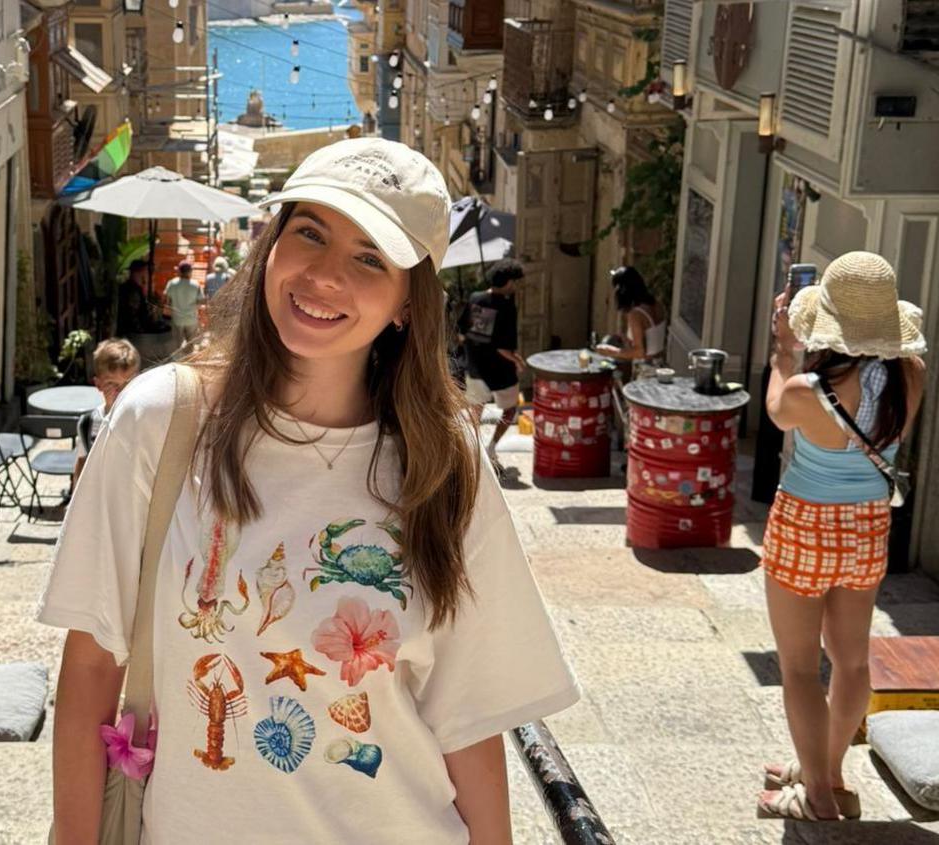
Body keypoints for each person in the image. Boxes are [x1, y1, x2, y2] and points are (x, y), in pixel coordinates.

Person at [41, 136, 578, 844]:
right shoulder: (161, 420)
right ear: (271, 245)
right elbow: (89, 671)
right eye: (311, 234)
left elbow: (466, 715)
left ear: (407, 303)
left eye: (369, 258)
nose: (325, 275)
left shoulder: (443, 461)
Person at [757, 251, 926, 821]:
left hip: (804, 526)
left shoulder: (805, 391)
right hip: (868, 527)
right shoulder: (912, 375)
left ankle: (818, 799)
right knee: (852, 661)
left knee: (800, 668)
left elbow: (777, 410)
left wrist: (783, 349)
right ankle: (828, 772)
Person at [456, 259, 527, 470]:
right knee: (510, 409)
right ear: (509, 282)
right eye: (516, 282)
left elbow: (462, 333)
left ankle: (472, 451)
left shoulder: (475, 298)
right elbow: (503, 348)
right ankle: (491, 447)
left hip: (475, 365)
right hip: (500, 370)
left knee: (475, 409)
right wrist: (518, 361)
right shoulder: (507, 307)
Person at [72, 338, 141, 486]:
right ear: (98, 384)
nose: (121, 391)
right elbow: (82, 461)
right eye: (112, 384)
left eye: (128, 384)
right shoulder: (87, 424)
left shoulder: (142, 419)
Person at [595, 265, 667, 371]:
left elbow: (640, 352)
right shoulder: (657, 304)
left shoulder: (636, 315)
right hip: (660, 366)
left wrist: (611, 351)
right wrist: (627, 338)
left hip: (646, 370)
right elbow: (652, 337)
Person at [164, 261, 201, 352]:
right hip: (191, 319)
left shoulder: (172, 283)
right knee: (190, 345)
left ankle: (179, 358)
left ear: (179, 271)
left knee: (177, 345)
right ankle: (188, 358)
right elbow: (200, 302)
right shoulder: (196, 284)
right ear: (190, 271)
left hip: (177, 319)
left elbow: (167, 300)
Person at [116, 259, 155, 337]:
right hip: (131, 334)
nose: (147, 274)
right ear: (140, 272)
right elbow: (132, 314)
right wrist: (140, 331)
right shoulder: (133, 290)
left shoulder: (128, 287)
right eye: (146, 271)